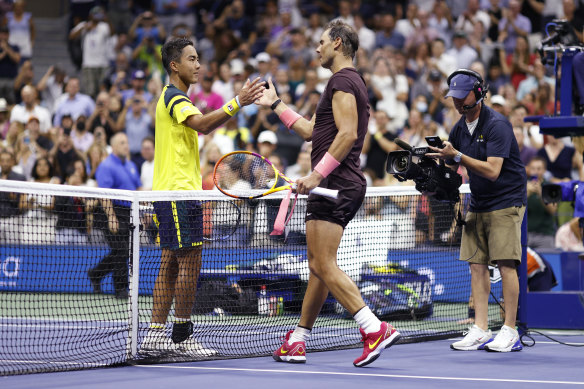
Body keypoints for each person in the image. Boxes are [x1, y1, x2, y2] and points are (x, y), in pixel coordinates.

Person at [256, 20, 401, 367]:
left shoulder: (343, 80)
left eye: (321, 42)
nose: (316, 48)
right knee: (319, 266)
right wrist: (277, 104)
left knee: (322, 263)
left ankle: (373, 328)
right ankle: (298, 340)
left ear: (337, 43)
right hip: (338, 182)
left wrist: (315, 175)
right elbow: (310, 131)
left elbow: (349, 134)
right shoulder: (344, 83)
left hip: (334, 183)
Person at [139, 37, 264, 356]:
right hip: (177, 194)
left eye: (199, 59)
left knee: (169, 263)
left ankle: (155, 334)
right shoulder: (174, 97)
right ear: (174, 65)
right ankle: (181, 336)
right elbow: (204, 125)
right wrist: (237, 102)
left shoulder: (175, 98)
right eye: (192, 59)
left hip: (176, 193)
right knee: (190, 263)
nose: (199, 65)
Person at [427, 69, 527, 352]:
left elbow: (493, 170)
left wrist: (456, 156)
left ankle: (510, 329)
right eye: (453, 97)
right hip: (479, 201)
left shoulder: (498, 125)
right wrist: (434, 166)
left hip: (506, 201)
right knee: (476, 265)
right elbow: (452, 166)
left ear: (478, 94)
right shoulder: (459, 128)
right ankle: (481, 328)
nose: (457, 102)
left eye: (462, 96)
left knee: (506, 264)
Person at [89, 133, 141, 299]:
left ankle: (96, 274)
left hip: (129, 212)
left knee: (125, 251)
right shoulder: (106, 166)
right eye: (122, 143)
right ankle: (121, 289)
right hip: (110, 212)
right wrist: (111, 217)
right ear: (114, 146)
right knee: (121, 250)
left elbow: (137, 189)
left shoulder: (131, 165)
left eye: (126, 142)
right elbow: (105, 194)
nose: (126, 145)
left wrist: (142, 212)